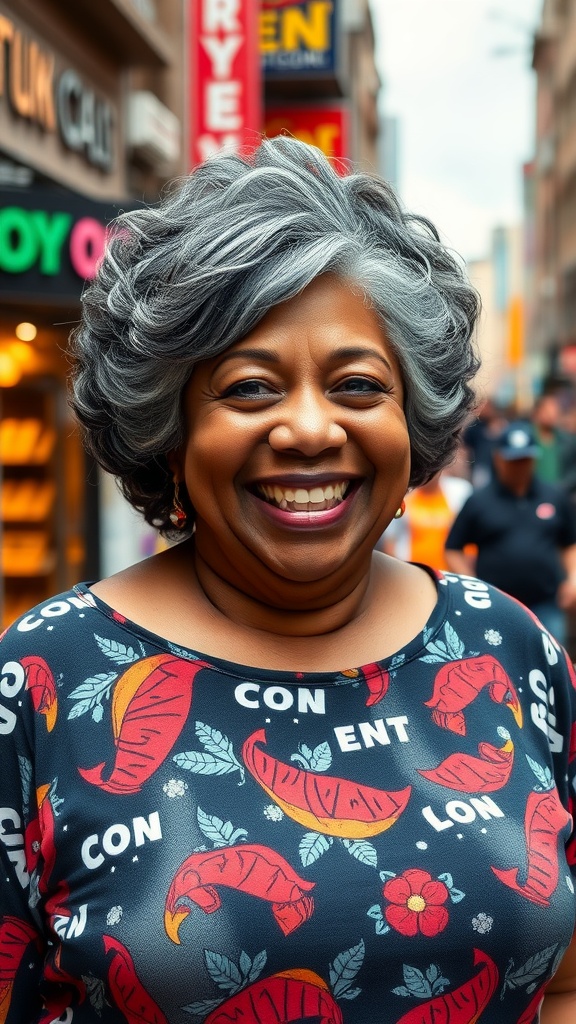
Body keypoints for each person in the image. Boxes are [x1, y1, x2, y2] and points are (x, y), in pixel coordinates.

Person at [0, 138, 575, 1024]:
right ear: (172, 428)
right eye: (250, 388)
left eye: (355, 384)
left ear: (409, 415)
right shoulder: (44, 681)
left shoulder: (509, 649)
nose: (309, 429)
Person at [445, 420, 576, 646]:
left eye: (525, 460)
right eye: (513, 460)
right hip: (496, 607)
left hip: (546, 603)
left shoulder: (554, 496)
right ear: (499, 458)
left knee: (553, 666)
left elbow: (570, 542)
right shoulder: (479, 500)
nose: (519, 466)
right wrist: (472, 585)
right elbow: (453, 548)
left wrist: (573, 579)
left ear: (534, 458)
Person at [378, 469, 472, 571]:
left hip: (449, 574)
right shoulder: (404, 496)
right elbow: (391, 539)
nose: (428, 473)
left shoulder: (459, 492)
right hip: (413, 573)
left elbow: (469, 537)